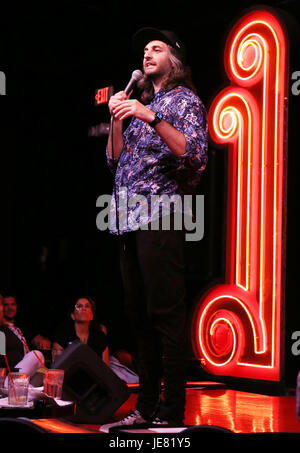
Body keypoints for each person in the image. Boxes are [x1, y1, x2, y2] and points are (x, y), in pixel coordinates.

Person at [99, 28, 208, 432]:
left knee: (165, 315)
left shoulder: (183, 102)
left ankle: (172, 411)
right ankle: (145, 408)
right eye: (144, 49)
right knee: (139, 317)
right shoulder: (142, 105)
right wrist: (117, 116)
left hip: (161, 217)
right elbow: (115, 162)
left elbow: (193, 154)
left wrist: (152, 116)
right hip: (127, 219)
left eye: (156, 48)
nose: (147, 53)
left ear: (174, 61)